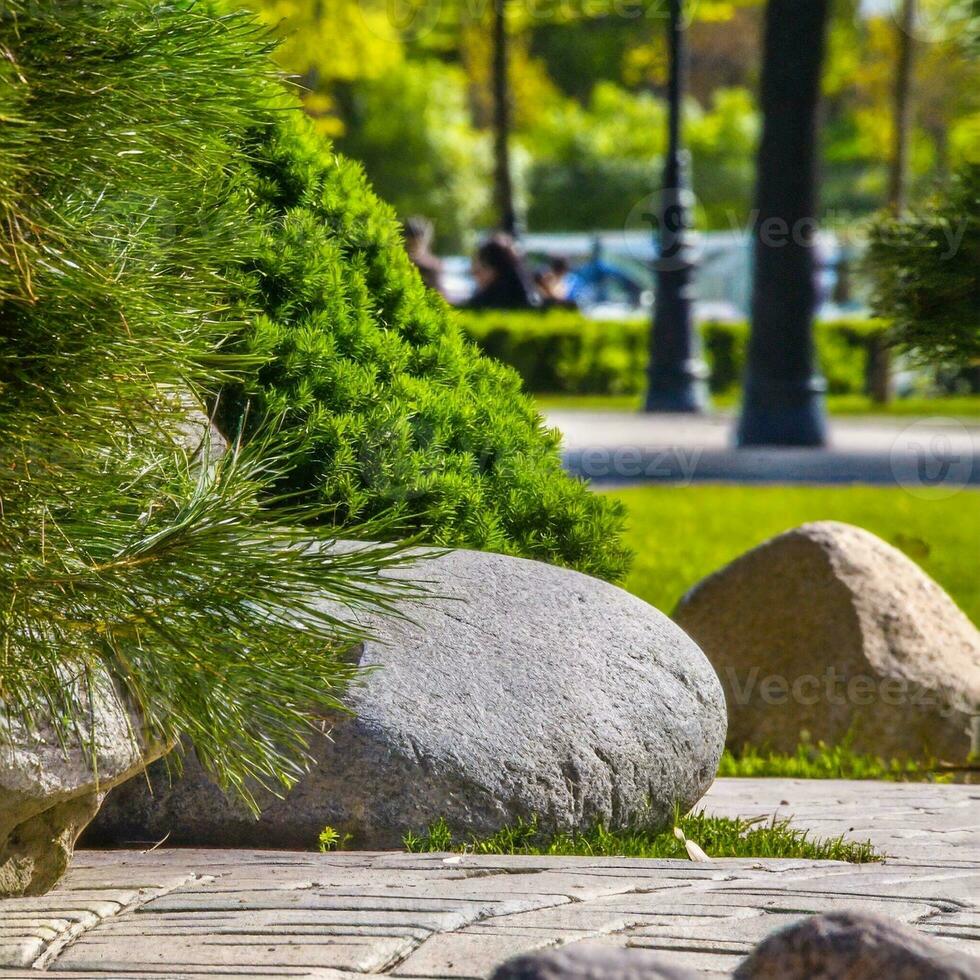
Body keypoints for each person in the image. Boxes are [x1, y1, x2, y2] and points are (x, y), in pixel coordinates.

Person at [465, 234, 535, 310]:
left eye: (477, 271)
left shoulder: (483, 304)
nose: (475, 276)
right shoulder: (527, 294)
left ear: (493, 270)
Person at [403, 216, 444, 295]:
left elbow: (438, 295)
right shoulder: (399, 261)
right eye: (410, 243)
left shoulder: (432, 265)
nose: (413, 245)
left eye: (416, 242)